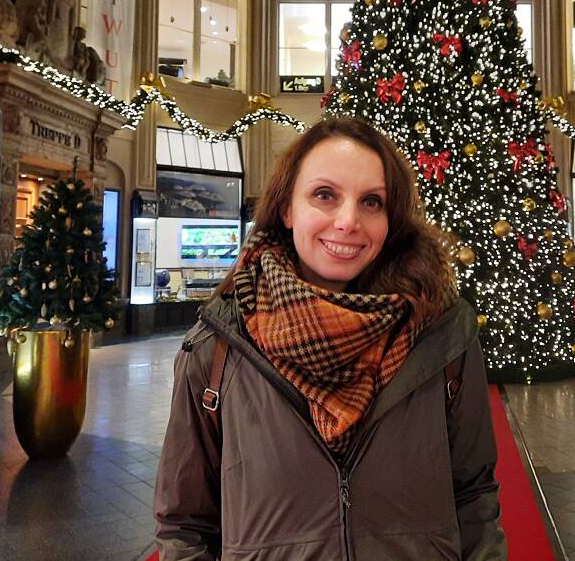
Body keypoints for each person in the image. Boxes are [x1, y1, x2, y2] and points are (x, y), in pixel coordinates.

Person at [154, 117, 507, 560]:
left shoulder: (442, 336)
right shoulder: (216, 348)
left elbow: (473, 493)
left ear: (390, 218)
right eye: (325, 195)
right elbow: (185, 524)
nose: (347, 221)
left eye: (371, 202)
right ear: (287, 207)